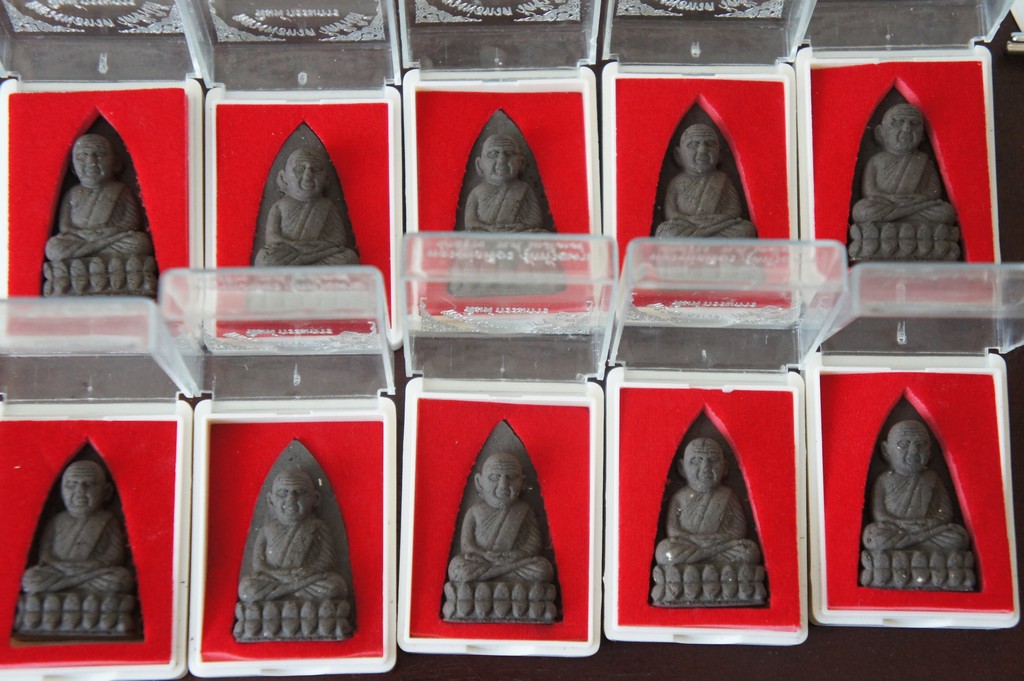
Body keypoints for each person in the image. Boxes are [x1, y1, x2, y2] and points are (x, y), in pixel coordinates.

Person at [21, 461, 134, 596]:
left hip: (93, 571)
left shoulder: (108, 520)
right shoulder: (57, 520)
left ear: (106, 492)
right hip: (60, 570)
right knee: (31, 578)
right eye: (72, 485)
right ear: (61, 490)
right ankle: (75, 586)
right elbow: (45, 553)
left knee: (121, 579)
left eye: (89, 484)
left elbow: (115, 555)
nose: (80, 491)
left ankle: (65, 587)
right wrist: (60, 565)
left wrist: (92, 566)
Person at [238, 468, 347, 603]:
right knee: (247, 588)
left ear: (315, 499)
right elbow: (258, 564)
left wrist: (306, 572)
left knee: (336, 585)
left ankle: (282, 593)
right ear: (271, 500)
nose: (291, 499)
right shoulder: (267, 529)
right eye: (282, 493)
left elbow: (327, 560)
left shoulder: (317, 527)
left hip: (306, 578)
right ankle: (292, 590)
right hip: (275, 578)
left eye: (300, 493)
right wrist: (277, 574)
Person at [44, 134, 153, 267]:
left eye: (100, 155)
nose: (91, 162)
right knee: (53, 247)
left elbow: (131, 222)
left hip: (111, 237)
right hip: (80, 238)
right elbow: (65, 225)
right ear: (73, 167)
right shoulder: (72, 193)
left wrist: (110, 232)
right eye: (82, 157)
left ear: (116, 163)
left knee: (140, 242)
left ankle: (86, 255)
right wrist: (80, 233)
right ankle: (97, 253)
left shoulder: (121, 190)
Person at [862, 420, 970, 552]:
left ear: (930, 451)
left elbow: (945, 513)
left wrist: (927, 524)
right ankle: (918, 546)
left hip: (927, 529)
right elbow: (879, 515)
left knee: (958, 536)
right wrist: (903, 524)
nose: (913, 451)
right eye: (903, 444)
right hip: (897, 529)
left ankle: (907, 546)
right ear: (886, 450)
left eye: (920, 444)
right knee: (872, 536)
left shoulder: (933, 479)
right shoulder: (883, 480)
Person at [447, 452, 554, 584]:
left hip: (513, 561)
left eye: (511, 477)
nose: (503, 484)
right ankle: (503, 575)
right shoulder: (475, 511)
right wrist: (484, 555)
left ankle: (492, 577)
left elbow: (534, 544)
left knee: (543, 569)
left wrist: (517, 555)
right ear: (479, 482)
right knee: (457, 568)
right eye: (494, 477)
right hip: (483, 560)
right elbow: (467, 545)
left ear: (523, 482)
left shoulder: (524, 511)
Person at [654, 438, 761, 568]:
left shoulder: (727, 495)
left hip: (720, 546)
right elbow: (673, 530)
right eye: (696, 461)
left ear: (725, 467)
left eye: (713, 460)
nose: (705, 467)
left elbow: (738, 530)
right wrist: (695, 539)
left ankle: (697, 565)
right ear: (682, 468)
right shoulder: (679, 497)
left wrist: (717, 539)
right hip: (691, 544)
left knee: (749, 551)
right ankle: (712, 563)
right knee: (664, 552)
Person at [851, 104, 957, 227]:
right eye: (898, 123)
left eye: (914, 123)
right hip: (887, 204)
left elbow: (934, 192)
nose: (907, 128)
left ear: (922, 134)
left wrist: (920, 198)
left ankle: (895, 219)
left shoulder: (924, 161)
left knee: (946, 212)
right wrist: (889, 198)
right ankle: (904, 219)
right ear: (880, 133)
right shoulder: (876, 160)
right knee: (861, 210)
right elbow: (869, 191)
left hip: (917, 205)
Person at [254, 147, 359, 267]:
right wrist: (294, 246)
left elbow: (339, 239)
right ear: (283, 178)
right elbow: (272, 238)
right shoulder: (280, 205)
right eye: (300, 169)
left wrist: (315, 248)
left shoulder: (327, 206)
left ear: (327, 179)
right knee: (264, 259)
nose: (308, 176)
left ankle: (299, 268)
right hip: (289, 253)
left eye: (316, 169)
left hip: (320, 254)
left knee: (349, 258)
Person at [655, 124, 757, 239]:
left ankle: (696, 240)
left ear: (720, 154)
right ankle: (705, 240)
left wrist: (716, 220)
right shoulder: (677, 182)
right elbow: (670, 213)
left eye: (710, 144)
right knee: (664, 232)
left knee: (746, 229)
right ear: (678, 155)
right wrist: (689, 220)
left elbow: (734, 211)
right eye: (694, 145)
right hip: (687, 225)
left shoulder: (723, 180)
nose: (702, 150)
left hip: (718, 226)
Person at [463, 134, 544, 233]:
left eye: (509, 153)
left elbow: (536, 220)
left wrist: (519, 227)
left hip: (517, 235)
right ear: (479, 165)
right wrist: (489, 229)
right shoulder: (477, 192)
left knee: (539, 234)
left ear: (521, 163)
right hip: (486, 235)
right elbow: (471, 223)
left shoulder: (524, 189)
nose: (502, 160)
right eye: (493, 154)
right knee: (469, 235)